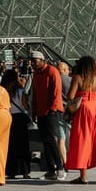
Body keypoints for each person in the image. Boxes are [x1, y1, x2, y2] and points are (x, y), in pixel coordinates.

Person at [64, 55, 96, 184]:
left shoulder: (78, 78)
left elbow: (70, 96)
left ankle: (83, 176)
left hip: (83, 110)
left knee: (81, 141)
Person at [30, 50, 66, 181]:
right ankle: (51, 170)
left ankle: (60, 167)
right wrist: (34, 110)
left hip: (52, 110)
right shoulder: (36, 74)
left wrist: (53, 108)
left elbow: (56, 91)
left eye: (35, 61)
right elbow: (35, 94)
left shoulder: (52, 71)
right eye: (32, 62)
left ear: (42, 60)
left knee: (50, 139)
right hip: (41, 111)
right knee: (45, 141)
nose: (33, 64)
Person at [5, 67, 32, 180]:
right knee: (23, 146)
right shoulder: (21, 92)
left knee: (11, 146)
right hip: (21, 119)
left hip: (9, 119)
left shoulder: (4, 92)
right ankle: (25, 171)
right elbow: (26, 106)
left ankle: (11, 171)